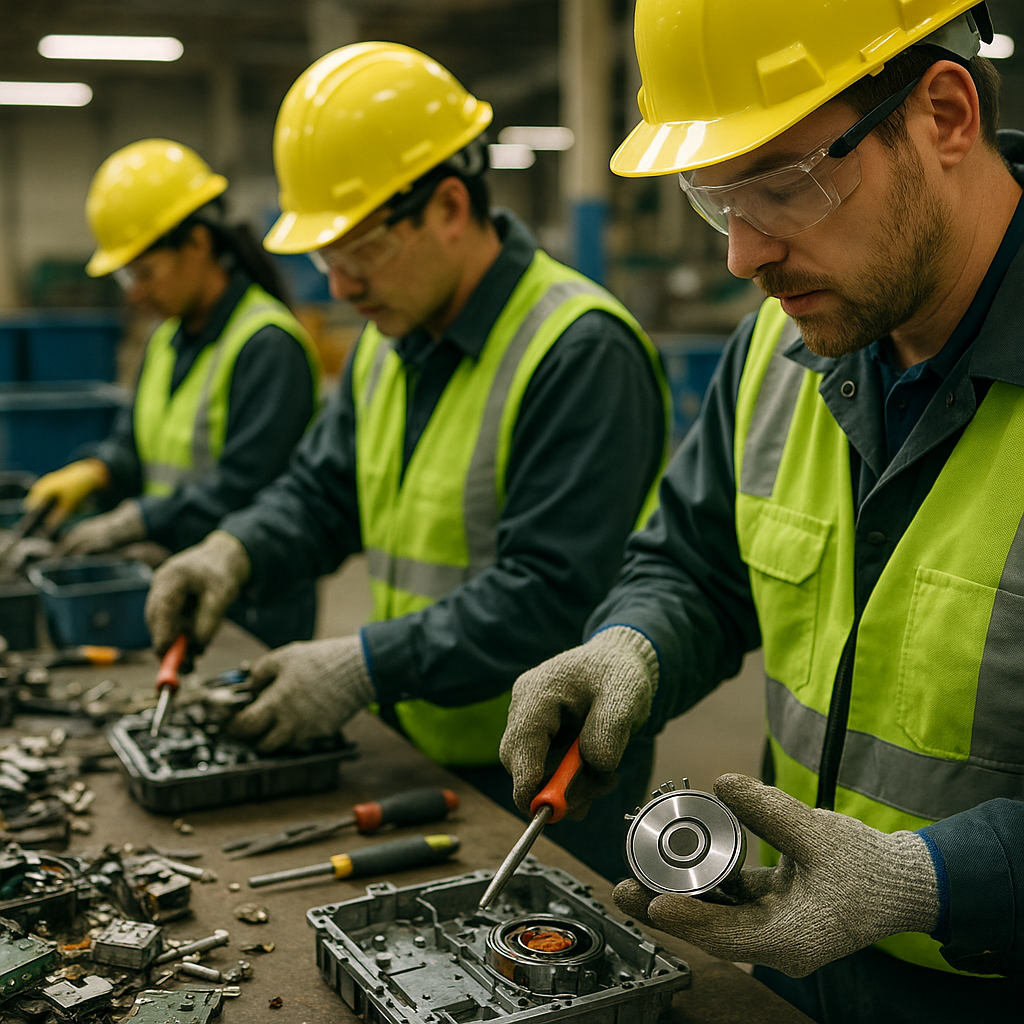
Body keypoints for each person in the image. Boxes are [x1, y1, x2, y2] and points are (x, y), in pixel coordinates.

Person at [499, 0, 1024, 1018]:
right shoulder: (774, 353)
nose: (743, 256)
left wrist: (931, 880)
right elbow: (697, 566)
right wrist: (634, 645)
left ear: (945, 115)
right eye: (715, 198)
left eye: (784, 187)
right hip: (791, 972)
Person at [143, 43, 670, 881]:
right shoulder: (388, 341)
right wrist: (233, 550)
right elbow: (323, 494)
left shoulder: (579, 350)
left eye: (359, 253)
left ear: (450, 207)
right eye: (327, 259)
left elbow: (551, 595)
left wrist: (364, 663)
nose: (340, 288)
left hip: (545, 783)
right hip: (416, 747)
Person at [25, 140, 322, 649]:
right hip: (176, 582)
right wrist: (97, 471)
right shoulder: (165, 339)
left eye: (145, 272)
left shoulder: (268, 346)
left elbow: (246, 490)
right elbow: (135, 445)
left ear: (198, 243)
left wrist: (136, 521)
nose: (136, 292)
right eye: (127, 276)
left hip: (250, 604)